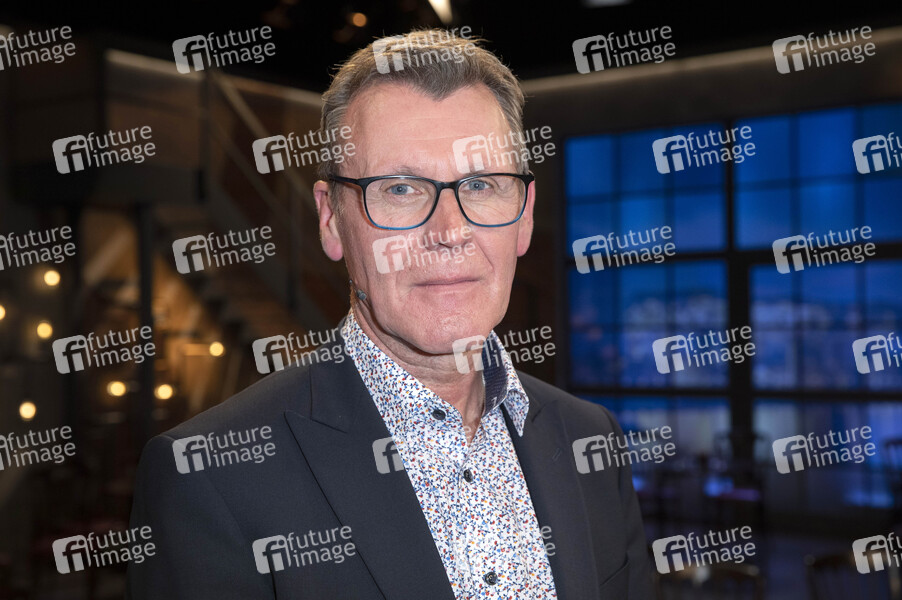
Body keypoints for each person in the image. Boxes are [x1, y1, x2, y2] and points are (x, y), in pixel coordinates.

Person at [127, 29, 653, 599]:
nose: (450, 231)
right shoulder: (210, 477)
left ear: (524, 216)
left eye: (480, 184)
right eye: (400, 189)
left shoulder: (590, 438)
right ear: (331, 220)